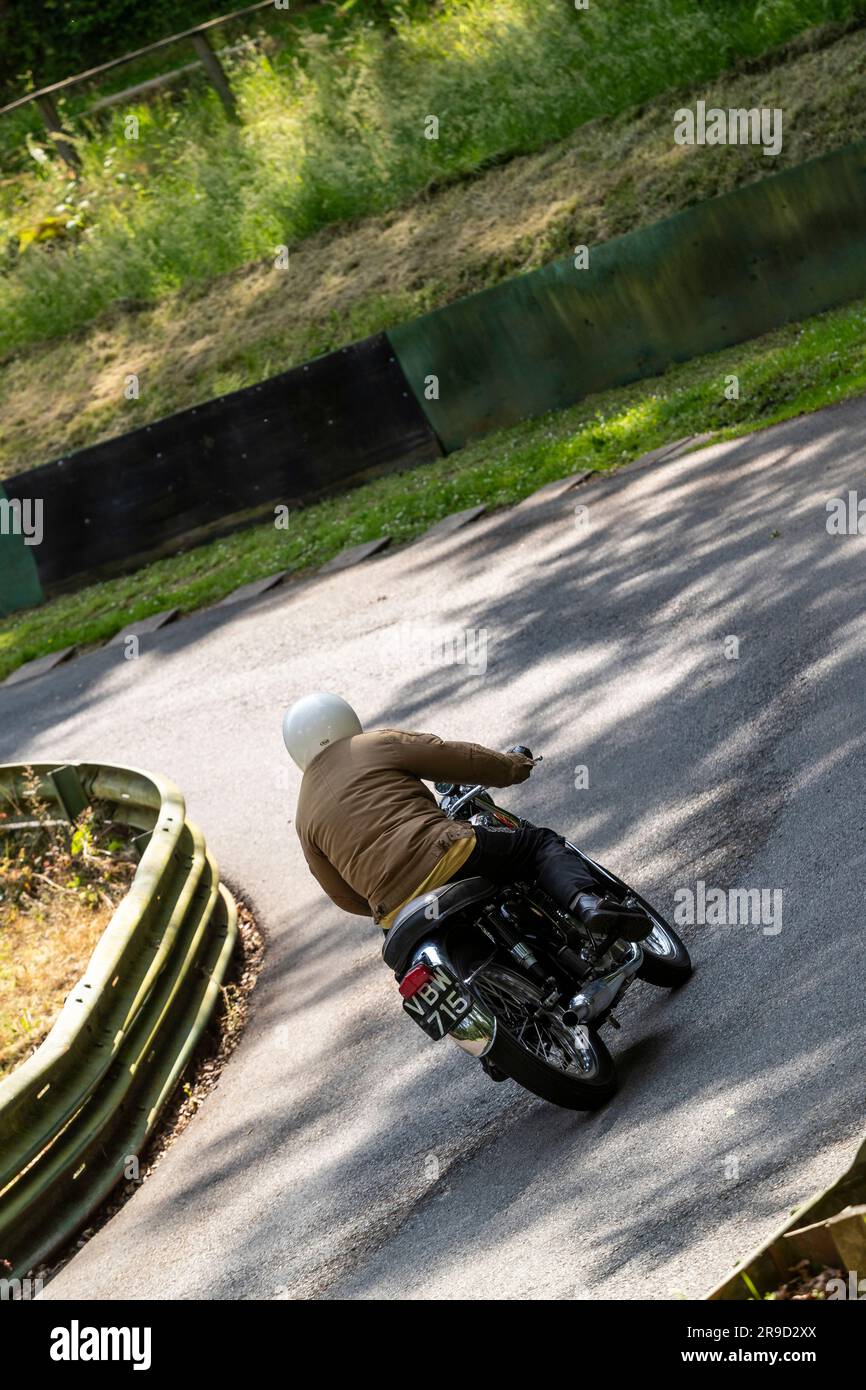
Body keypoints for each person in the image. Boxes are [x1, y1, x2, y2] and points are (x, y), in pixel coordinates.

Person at [284, 692, 650, 939]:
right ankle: (586, 903)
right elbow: (454, 758)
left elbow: (341, 895)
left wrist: (386, 898)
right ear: (345, 720)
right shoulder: (372, 745)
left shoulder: (303, 815)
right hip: (445, 852)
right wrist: (512, 767)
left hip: (396, 911)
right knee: (538, 845)